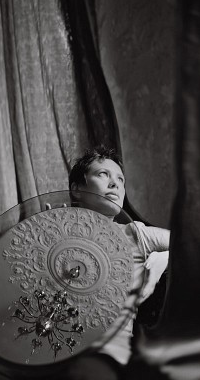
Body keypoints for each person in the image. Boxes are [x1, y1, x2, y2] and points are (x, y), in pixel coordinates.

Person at [65, 146, 170, 380]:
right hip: (52, 345)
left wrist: (160, 262)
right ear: (77, 189)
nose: (115, 184)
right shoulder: (55, 233)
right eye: (103, 174)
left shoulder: (136, 235)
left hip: (107, 353)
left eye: (120, 180)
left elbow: (188, 243)